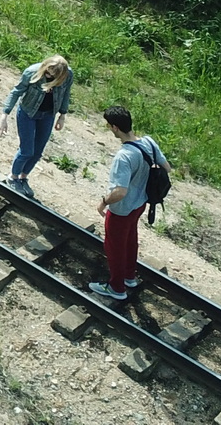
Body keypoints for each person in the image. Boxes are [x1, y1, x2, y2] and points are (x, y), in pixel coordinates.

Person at [90, 105, 168, 302]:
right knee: (130, 239)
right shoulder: (148, 142)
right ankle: (129, 276)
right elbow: (166, 167)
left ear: (115, 127)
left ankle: (116, 287)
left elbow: (120, 191)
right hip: (141, 203)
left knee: (114, 247)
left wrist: (103, 202)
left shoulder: (123, 156)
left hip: (122, 209)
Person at [0, 55, 74, 197]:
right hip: (28, 113)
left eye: (52, 76)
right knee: (26, 150)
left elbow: (66, 95)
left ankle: (23, 177)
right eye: (47, 72)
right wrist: (5, 114)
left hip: (48, 115)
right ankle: (13, 177)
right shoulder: (32, 72)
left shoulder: (68, 75)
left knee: (38, 152)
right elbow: (16, 92)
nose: (48, 76)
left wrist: (62, 115)